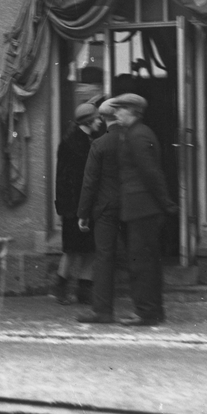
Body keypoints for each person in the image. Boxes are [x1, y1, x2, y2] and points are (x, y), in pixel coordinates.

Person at [111, 93, 177, 327]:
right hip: (140, 208)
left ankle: (147, 312)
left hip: (142, 209)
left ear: (133, 111)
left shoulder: (138, 135)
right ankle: (151, 311)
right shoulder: (135, 133)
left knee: (142, 264)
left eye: (120, 109)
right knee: (145, 262)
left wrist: (165, 203)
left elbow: (150, 173)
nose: (116, 113)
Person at [75, 100, 123, 323]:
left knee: (104, 257)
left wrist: (83, 213)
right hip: (131, 204)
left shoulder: (100, 144)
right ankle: (144, 308)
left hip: (105, 206)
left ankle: (102, 310)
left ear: (103, 118)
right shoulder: (132, 139)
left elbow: (90, 182)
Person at [52, 103, 102, 306]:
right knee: (72, 250)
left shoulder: (88, 141)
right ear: (88, 121)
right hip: (75, 206)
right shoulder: (72, 144)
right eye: (96, 118)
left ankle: (83, 290)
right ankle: (61, 288)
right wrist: (73, 209)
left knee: (89, 249)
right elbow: (66, 180)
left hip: (85, 204)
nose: (100, 121)